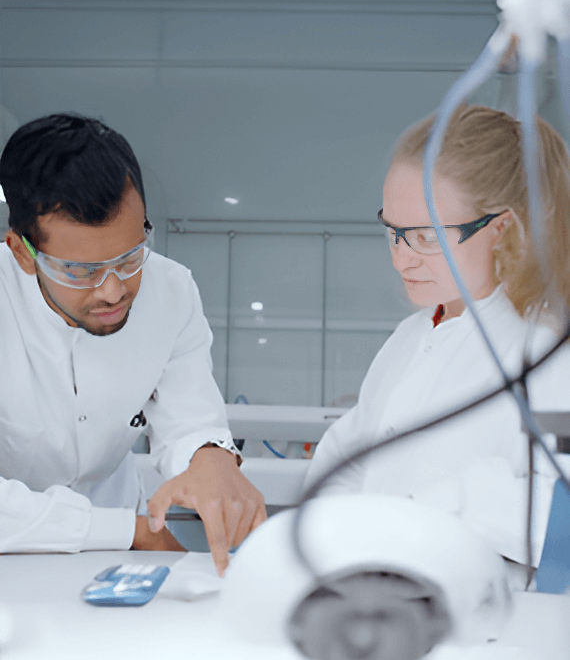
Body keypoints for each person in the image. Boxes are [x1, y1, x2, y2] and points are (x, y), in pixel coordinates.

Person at [306, 104, 570, 582]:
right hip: (377, 599)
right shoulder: (410, 338)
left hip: (495, 615)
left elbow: (560, 513)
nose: (401, 259)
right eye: (393, 232)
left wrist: (449, 502)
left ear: (503, 229)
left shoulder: (549, 350)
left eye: (427, 236)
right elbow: (346, 461)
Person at [0, 113, 266, 575]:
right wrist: (132, 531)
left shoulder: (170, 290)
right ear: (23, 252)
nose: (113, 291)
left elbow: (190, 419)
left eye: (129, 258)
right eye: (81, 271)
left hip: (121, 552)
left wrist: (211, 458)